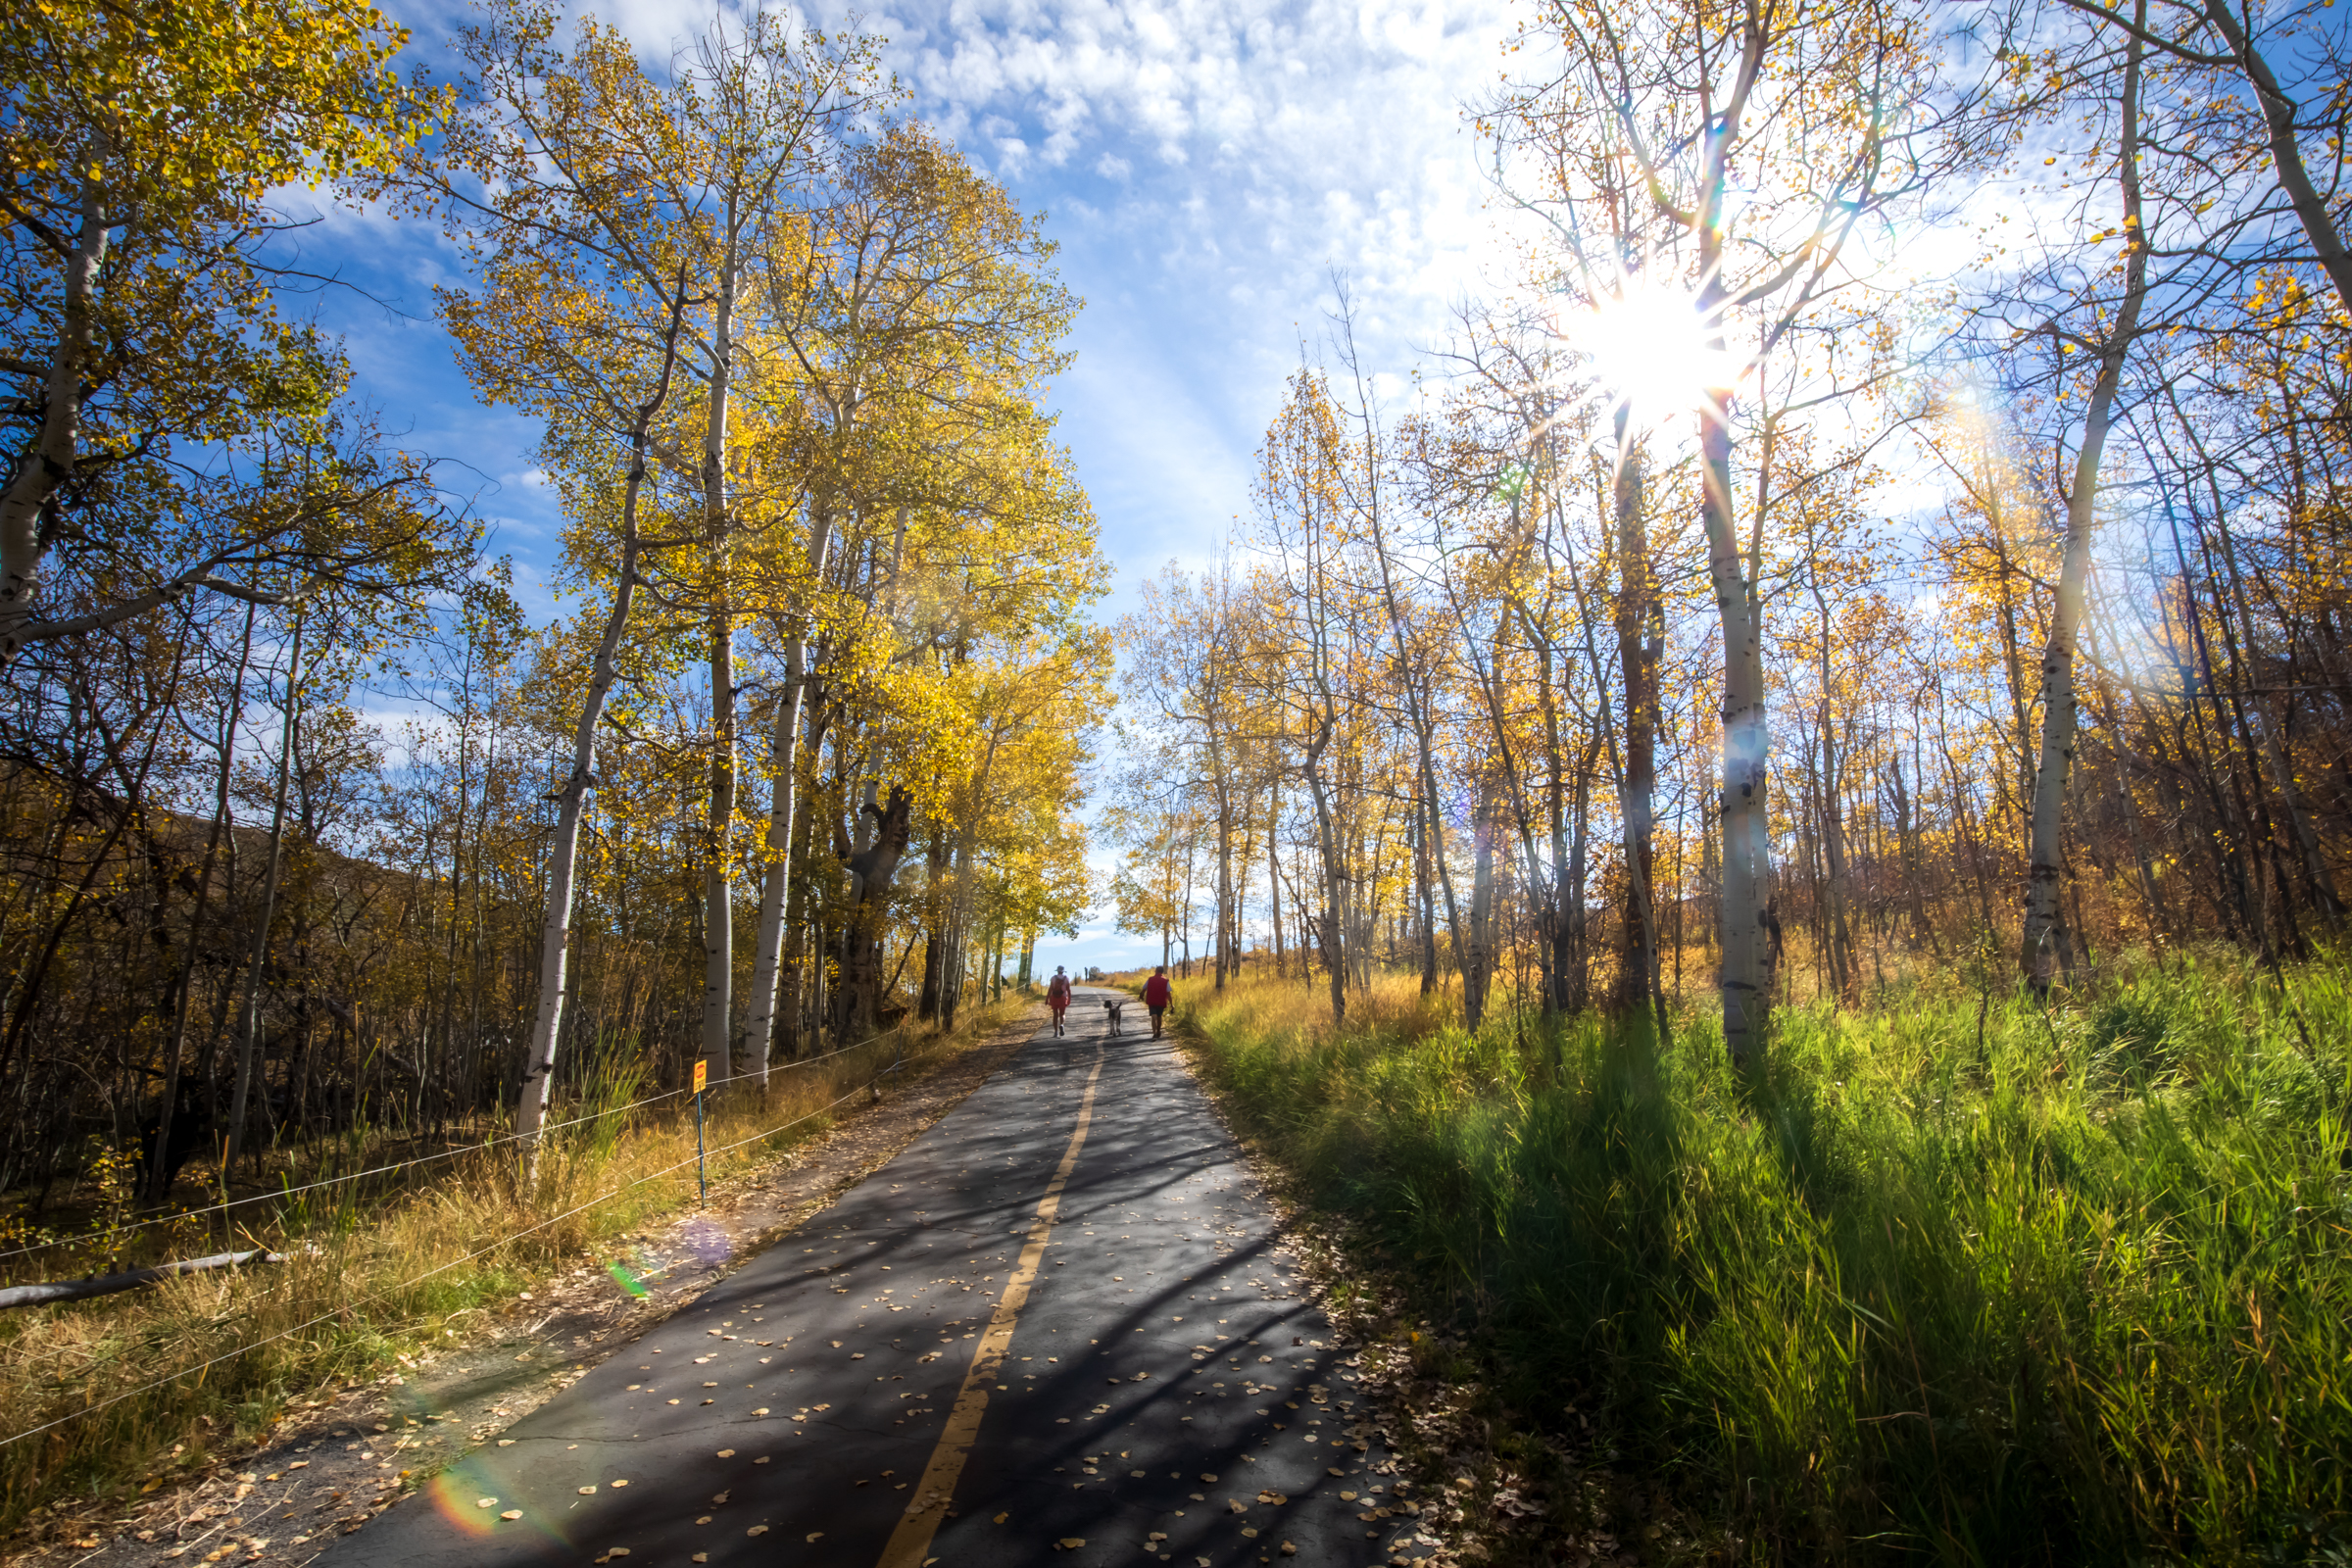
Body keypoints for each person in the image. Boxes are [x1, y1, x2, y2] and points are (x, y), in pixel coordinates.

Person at [1142, 965, 1172, 1039]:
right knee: (1159, 1016)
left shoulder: (1150, 979)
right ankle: (1158, 1031)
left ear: (1156, 971)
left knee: (1153, 1016)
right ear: (1162, 972)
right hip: (1161, 1002)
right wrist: (1171, 1004)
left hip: (1152, 1001)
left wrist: (1141, 995)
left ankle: (1154, 1032)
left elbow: (1144, 989)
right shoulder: (1165, 981)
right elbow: (1168, 993)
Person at [1046, 966, 1072, 1037]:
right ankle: (1061, 1025)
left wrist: (1047, 998)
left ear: (1057, 971)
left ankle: (1056, 1032)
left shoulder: (1053, 978)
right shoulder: (1066, 978)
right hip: (1063, 998)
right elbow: (1068, 990)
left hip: (1054, 997)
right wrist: (1069, 999)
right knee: (1062, 1014)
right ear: (1063, 971)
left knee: (1055, 1015)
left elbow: (1050, 989)